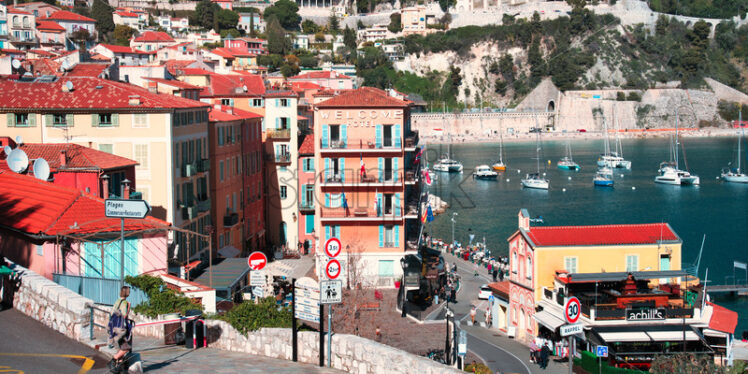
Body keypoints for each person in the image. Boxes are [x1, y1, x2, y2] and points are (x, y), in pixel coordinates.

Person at [108, 286, 132, 370]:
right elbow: (124, 315)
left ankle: (119, 366)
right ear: (127, 293)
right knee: (126, 348)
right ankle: (114, 360)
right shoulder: (125, 303)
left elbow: (112, 312)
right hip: (121, 329)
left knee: (121, 346)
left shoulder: (117, 301)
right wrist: (129, 307)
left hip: (114, 327)